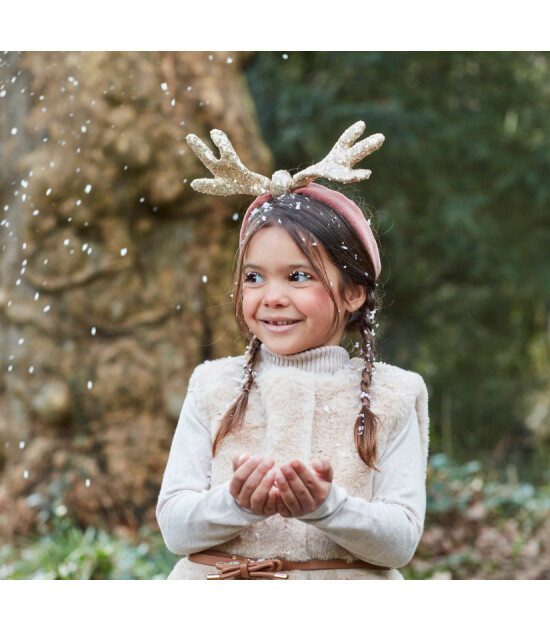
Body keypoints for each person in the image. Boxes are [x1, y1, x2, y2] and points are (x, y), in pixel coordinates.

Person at [156, 121, 429, 580]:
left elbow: (400, 542)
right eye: (254, 277)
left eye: (298, 276)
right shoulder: (212, 386)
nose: (272, 296)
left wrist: (329, 507)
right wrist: (235, 504)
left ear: (353, 292)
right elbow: (174, 529)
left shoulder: (395, 396)